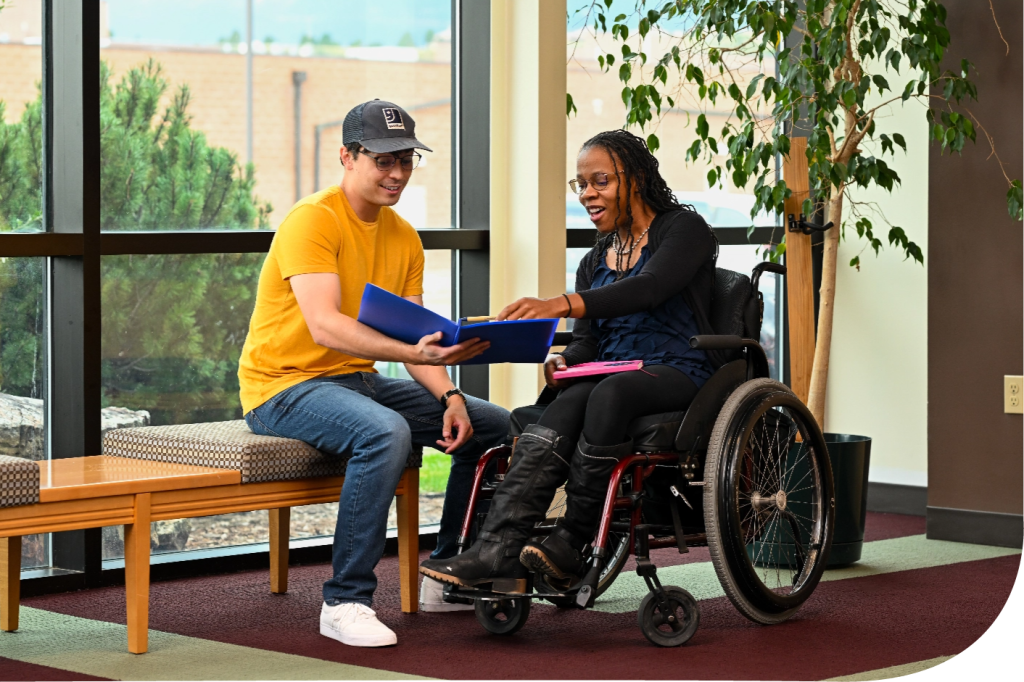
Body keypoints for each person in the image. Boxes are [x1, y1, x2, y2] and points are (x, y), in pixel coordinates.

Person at [238, 100, 510, 647]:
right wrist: (415, 352)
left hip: (356, 382)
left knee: (493, 425)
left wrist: (451, 396)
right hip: (283, 387)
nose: (397, 173)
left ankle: (447, 576)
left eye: (406, 160)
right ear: (347, 156)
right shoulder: (313, 220)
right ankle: (345, 601)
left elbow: (415, 340)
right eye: (384, 160)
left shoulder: (403, 236)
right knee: (385, 431)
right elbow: (325, 326)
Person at [420, 129, 716, 591]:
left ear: (636, 179)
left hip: (679, 366)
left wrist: (560, 303)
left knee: (608, 392)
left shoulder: (684, 229)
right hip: (612, 373)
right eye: (581, 184)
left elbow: (650, 287)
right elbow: (586, 343)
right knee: (573, 395)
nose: (587, 194)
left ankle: (574, 536)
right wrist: (562, 362)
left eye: (601, 181)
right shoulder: (596, 258)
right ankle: (498, 549)